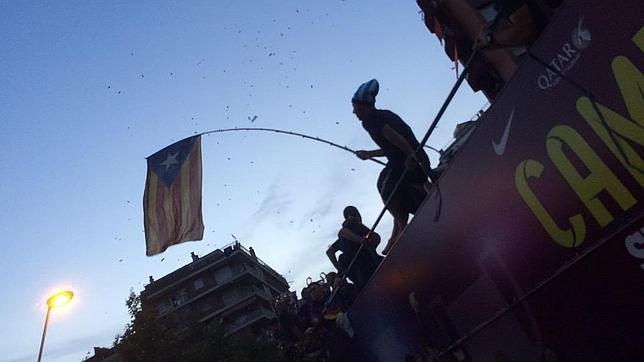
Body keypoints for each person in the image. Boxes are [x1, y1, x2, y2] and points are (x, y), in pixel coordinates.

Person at [352, 79, 431, 254]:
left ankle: (402, 224)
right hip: (410, 160)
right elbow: (390, 145)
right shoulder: (382, 115)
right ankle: (396, 231)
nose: (354, 112)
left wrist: (412, 156)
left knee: (384, 186)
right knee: (388, 185)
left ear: (363, 106)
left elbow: (393, 136)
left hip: (408, 164)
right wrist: (369, 154)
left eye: (355, 108)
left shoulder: (371, 120)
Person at [326, 206, 383, 290]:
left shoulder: (342, 240)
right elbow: (342, 232)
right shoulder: (354, 225)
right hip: (371, 268)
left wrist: (339, 268)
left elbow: (329, 252)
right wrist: (360, 240)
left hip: (360, 280)